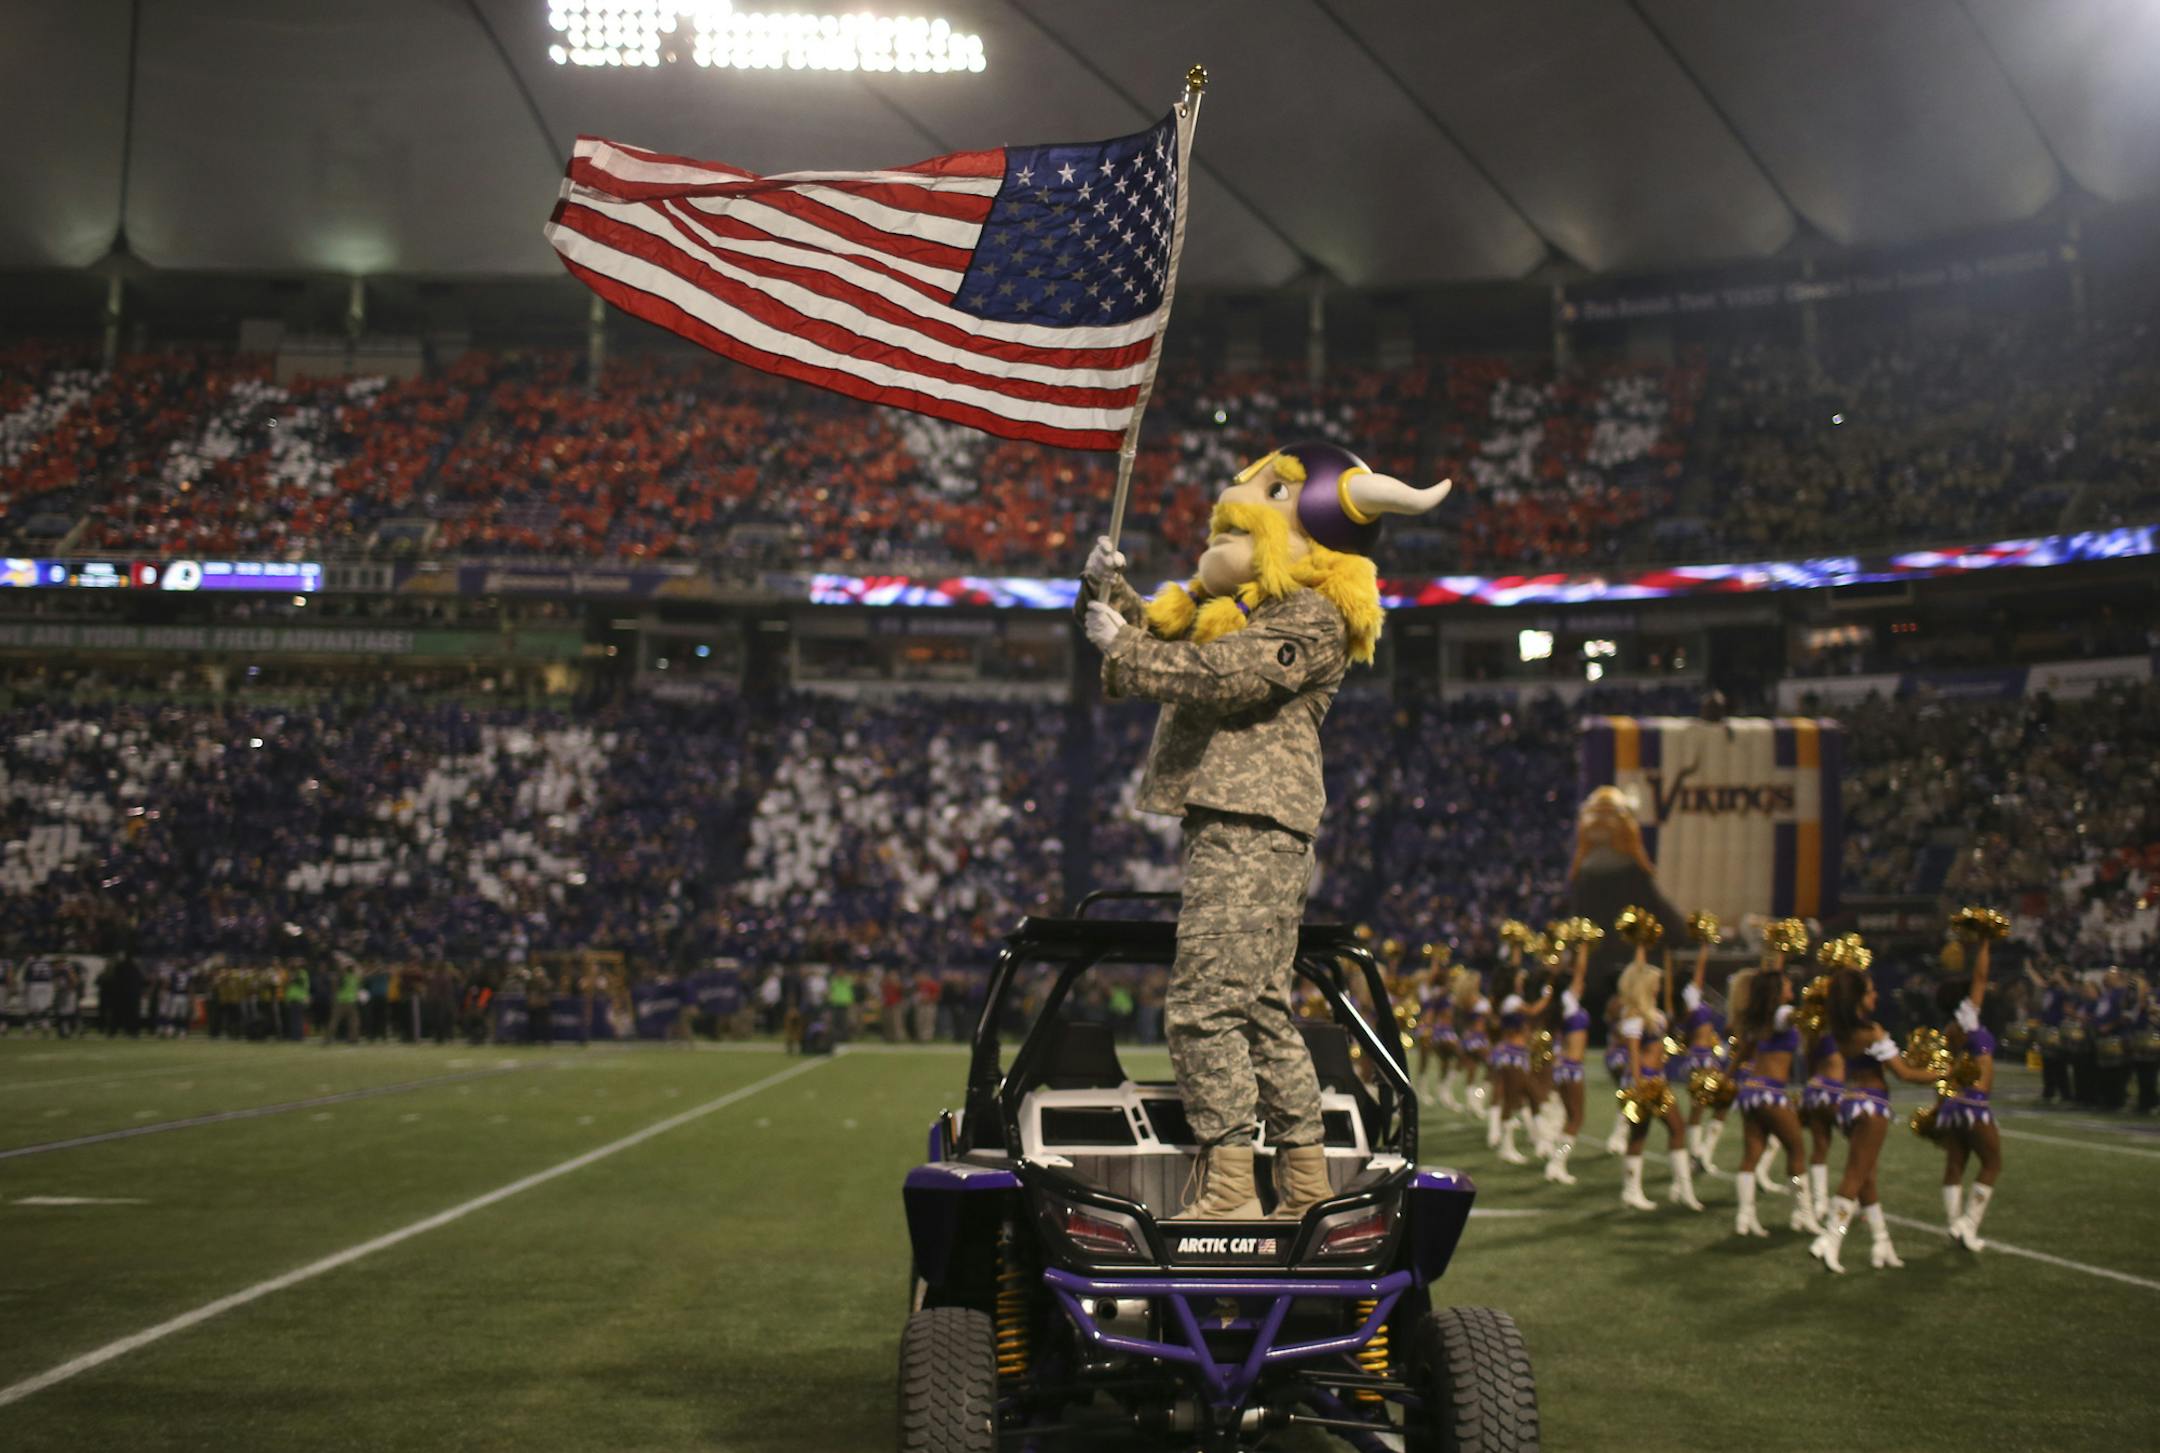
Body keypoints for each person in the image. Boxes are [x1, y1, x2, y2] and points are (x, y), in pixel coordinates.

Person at [1079, 440, 1449, 1221]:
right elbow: (1182, 642)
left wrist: (1127, 647)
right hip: (1246, 821)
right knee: (1257, 1005)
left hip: (1254, 822)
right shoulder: (1259, 609)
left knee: (1203, 1005)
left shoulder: (1311, 612)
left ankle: (1230, 1186)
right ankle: (1306, 1184)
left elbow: (1228, 676)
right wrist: (1114, 593)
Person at [1810, 969, 1944, 1274]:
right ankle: (1830, 1240)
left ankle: (1882, 1243)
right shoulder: (1872, 1032)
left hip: (1850, 1102)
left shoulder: (1842, 1032)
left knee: (1867, 1176)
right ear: (1858, 998)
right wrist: (1946, 1074)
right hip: (1873, 1106)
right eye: (1870, 991)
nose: (1876, 995)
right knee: (1855, 1176)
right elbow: (1906, 1074)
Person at [1726, 967, 1817, 1237]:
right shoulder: (1781, 1014)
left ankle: (1745, 1217)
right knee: (1797, 1150)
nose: (1792, 989)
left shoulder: (1759, 1020)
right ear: (1778, 992)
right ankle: (1803, 1214)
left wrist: (1726, 1079)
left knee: (1751, 1154)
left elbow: (1743, 1053)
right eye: (1788, 985)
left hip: (1750, 1090)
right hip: (1770, 1092)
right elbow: (1797, 1017)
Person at [1615, 955, 1702, 1213]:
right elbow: (1633, 1053)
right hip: (1645, 1081)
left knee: (1655, 1133)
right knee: (1665, 1130)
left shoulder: (1652, 1013)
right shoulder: (1634, 1015)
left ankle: (1668, 1189)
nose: (1658, 986)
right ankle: (1646, 1189)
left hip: (1657, 1079)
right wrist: (1639, 1085)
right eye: (1655, 982)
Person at [1936, 934, 2005, 1253]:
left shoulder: (1951, 1028)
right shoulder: (1969, 1016)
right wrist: (1985, 943)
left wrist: (1938, 1107)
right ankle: (1967, 1224)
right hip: (1974, 1103)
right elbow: (1980, 975)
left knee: (1955, 1164)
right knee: (1992, 1163)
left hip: (1953, 1104)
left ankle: (1953, 1226)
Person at [1487, 963, 1552, 1165]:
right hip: (1512, 1055)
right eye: (1518, 977)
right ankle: (1511, 1145)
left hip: (1515, 1054)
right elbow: (1533, 1011)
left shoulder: (1510, 999)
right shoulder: (1512, 1000)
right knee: (1524, 1096)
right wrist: (1548, 995)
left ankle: (1537, 1141)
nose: (1521, 979)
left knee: (1519, 1098)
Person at [1543, 940, 1593, 1185]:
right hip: (1572, 1066)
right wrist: (1583, 945)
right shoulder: (1569, 1002)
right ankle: (1557, 1163)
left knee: (1569, 1117)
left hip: (1563, 1065)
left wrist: (1564, 955)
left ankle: (1556, 1161)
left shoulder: (1562, 1005)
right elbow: (1580, 972)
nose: (1581, 984)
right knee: (1576, 1118)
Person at [325, 959, 362, 1046]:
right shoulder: (355, 978)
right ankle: (353, 1039)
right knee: (354, 1022)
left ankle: (328, 1039)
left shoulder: (341, 977)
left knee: (334, 1021)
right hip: (351, 1002)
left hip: (341, 1001)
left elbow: (334, 986)